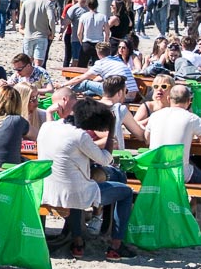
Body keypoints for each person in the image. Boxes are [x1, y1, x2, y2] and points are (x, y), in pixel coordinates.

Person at [39, 98, 136, 260]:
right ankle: (116, 246)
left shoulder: (47, 127)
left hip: (48, 190)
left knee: (74, 186)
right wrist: (112, 130)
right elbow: (105, 159)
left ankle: (78, 244)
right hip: (73, 193)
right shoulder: (80, 136)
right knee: (126, 192)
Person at [146, 83, 201, 184]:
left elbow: (147, 139)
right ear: (189, 101)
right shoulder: (192, 118)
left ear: (168, 99)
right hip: (179, 172)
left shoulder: (155, 116)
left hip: (155, 169)